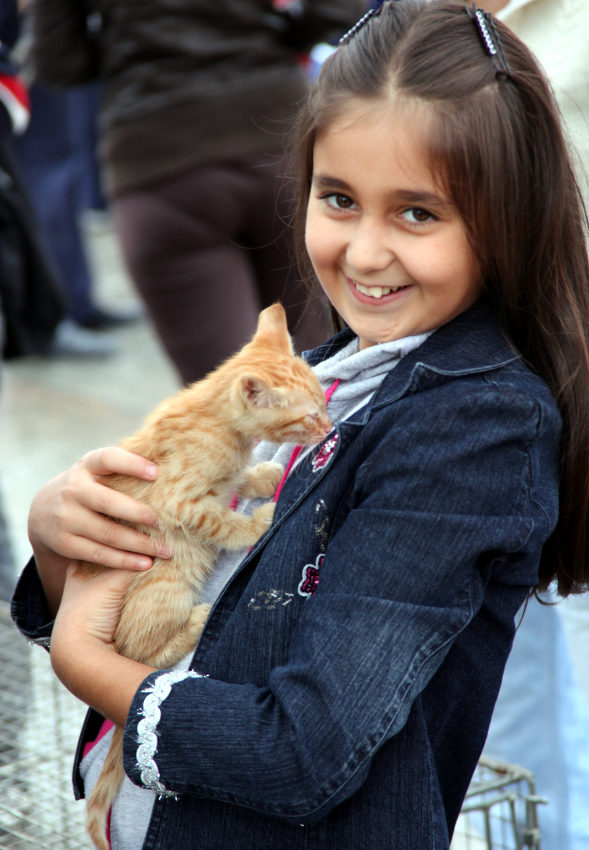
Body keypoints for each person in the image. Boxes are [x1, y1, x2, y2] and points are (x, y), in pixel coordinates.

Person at [11, 2, 589, 848]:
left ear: (506, 218)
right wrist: (65, 544)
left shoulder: (477, 428)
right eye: (339, 199)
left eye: (416, 213)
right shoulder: (324, 373)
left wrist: (87, 666)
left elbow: (302, 750)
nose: (362, 252)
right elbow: (212, 585)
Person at [29, 0, 364, 384]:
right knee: (318, 375)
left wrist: (130, 48)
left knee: (234, 405)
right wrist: (271, 35)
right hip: (276, 133)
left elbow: (58, 61)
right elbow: (338, 9)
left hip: (161, 159)